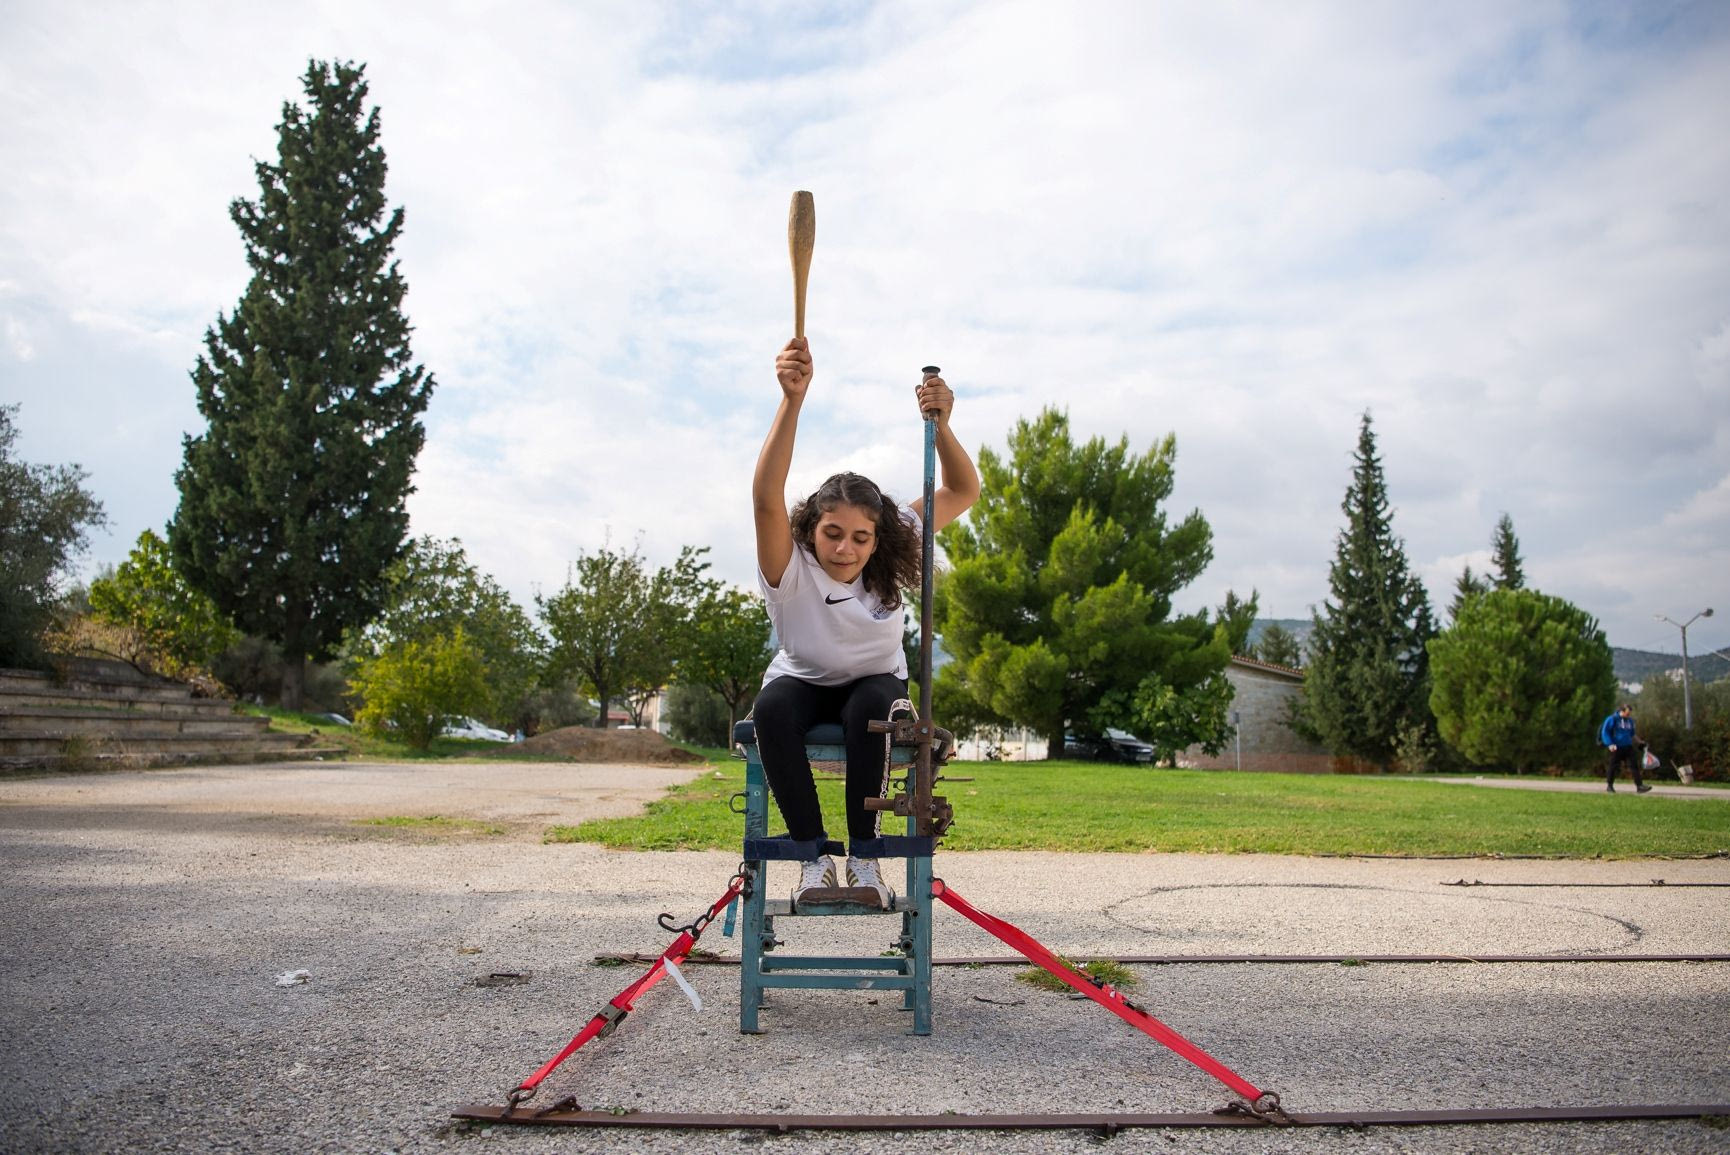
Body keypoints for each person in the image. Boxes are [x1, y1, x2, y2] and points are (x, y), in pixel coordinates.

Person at [751, 336, 980, 908]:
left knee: (874, 710)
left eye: (860, 538)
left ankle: (864, 859)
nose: (846, 549)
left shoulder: (893, 543)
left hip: (873, 683)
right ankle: (812, 861)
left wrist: (943, 425)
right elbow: (765, 496)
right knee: (771, 710)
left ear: (878, 538)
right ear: (811, 530)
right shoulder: (790, 562)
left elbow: (963, 490)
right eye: (833, 534)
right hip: (802, 679)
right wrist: (792, 400)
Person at [1598, 704, 1651, 793]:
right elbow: (1605, 732)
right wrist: (1610, 744)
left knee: (1634, 766)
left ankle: (1639, 786)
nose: (1628, 715)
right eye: (1627, 713)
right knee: (1613, 766)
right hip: (1616, 747)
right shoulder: (1612, 719)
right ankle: (1609, 786)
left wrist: (1640, 742)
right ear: (1621, 711)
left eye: (1629, 713)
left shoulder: (1630, 721)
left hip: (1628, 746)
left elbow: (1632, 734)